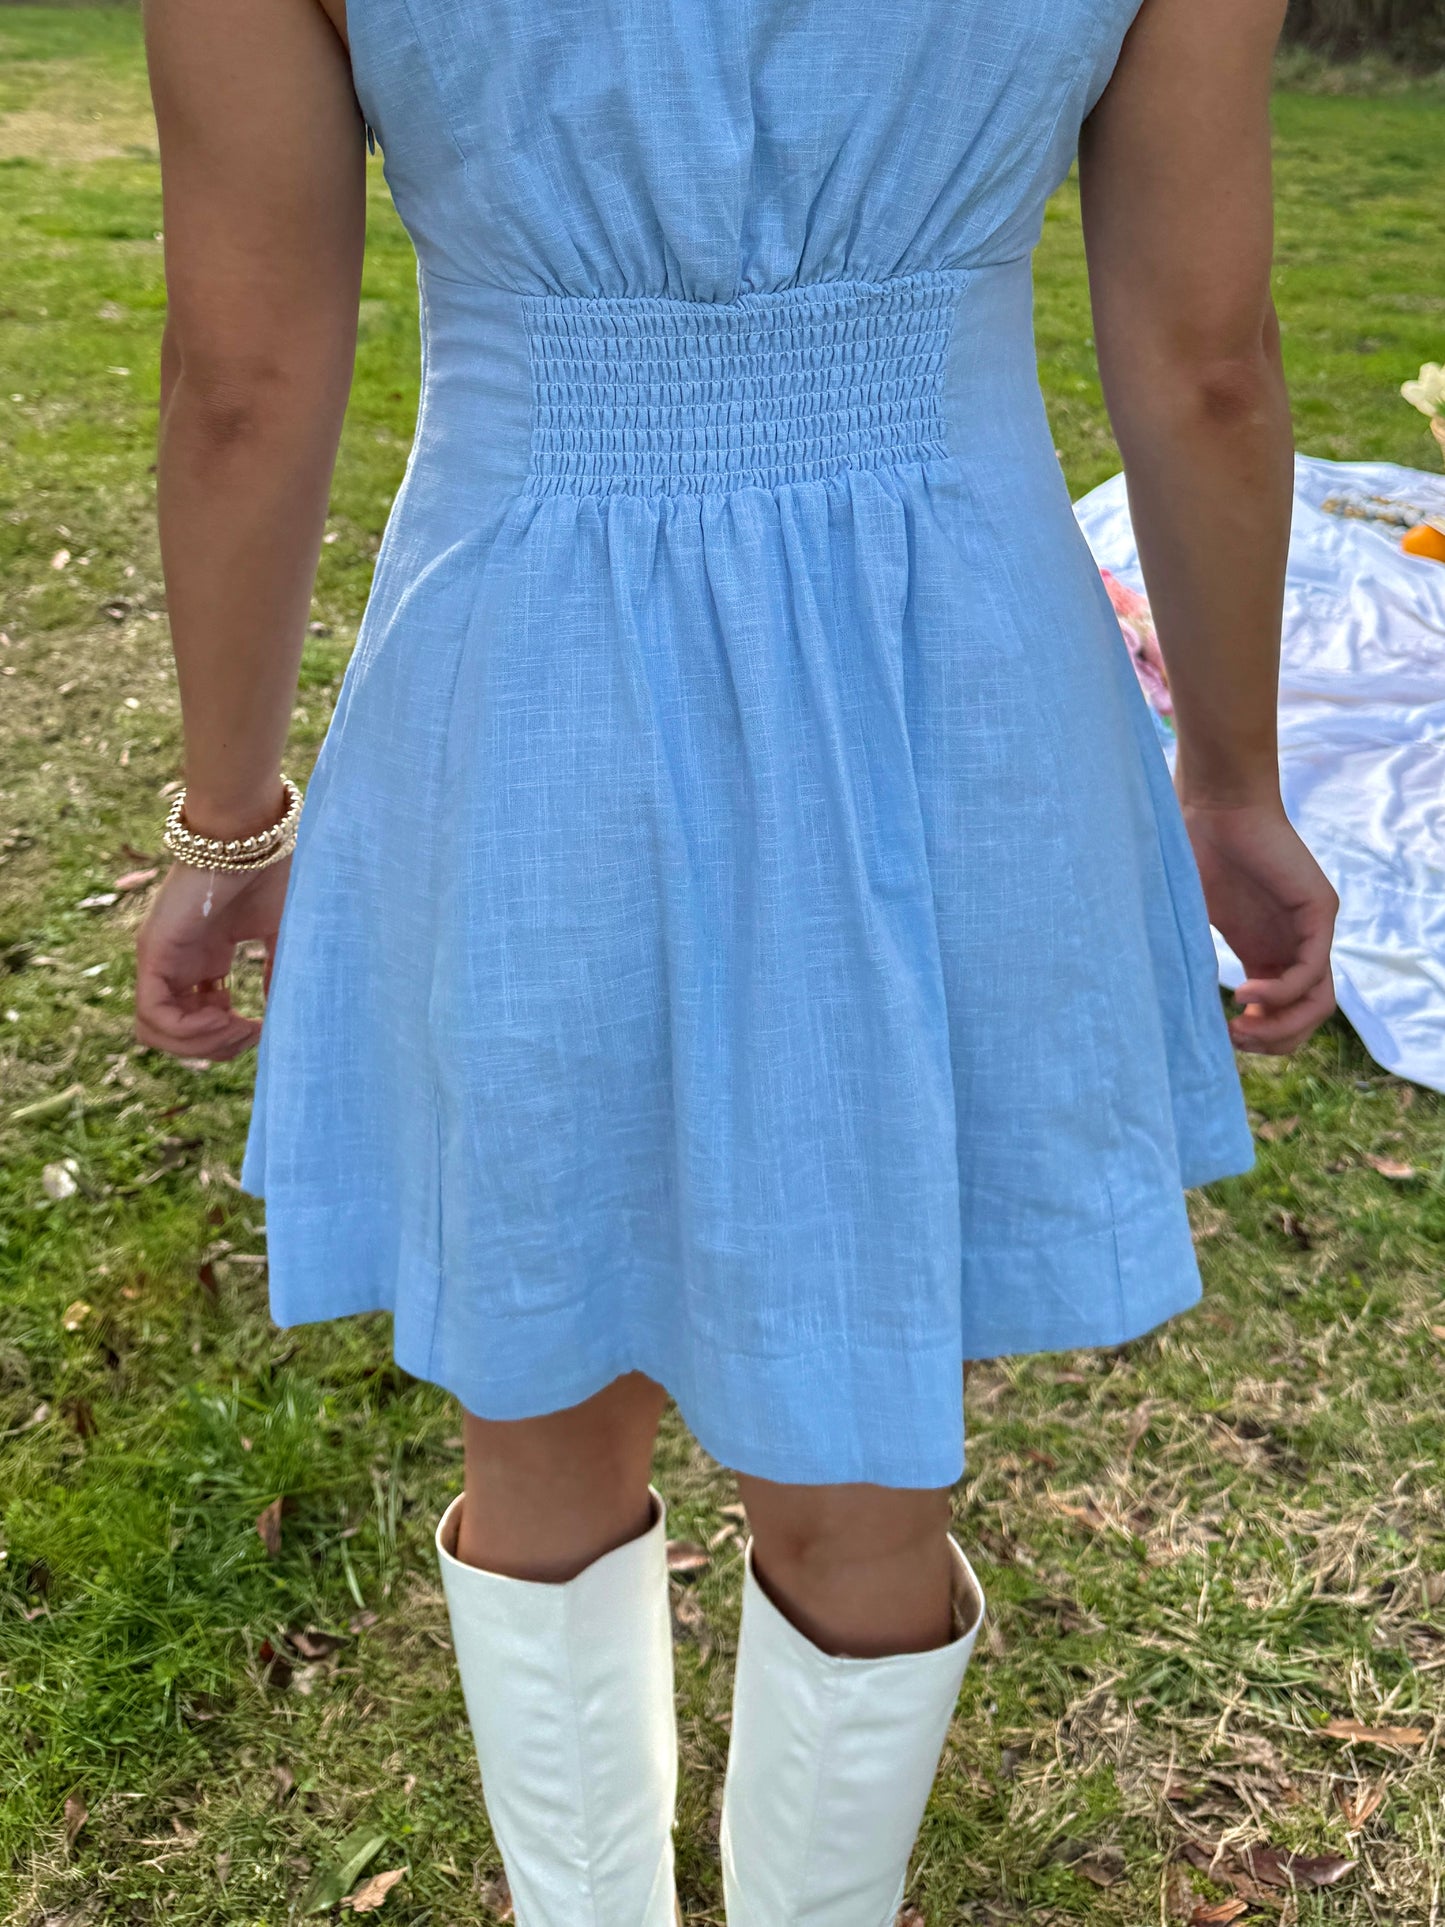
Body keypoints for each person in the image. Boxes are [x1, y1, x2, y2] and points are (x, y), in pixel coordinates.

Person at [133, 0, 1337, 1917]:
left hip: (527, 668)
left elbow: (243, 382)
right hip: (943, 665)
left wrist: (226, 823)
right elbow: (1204, 365)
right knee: (860, 1425)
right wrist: (1232, 778)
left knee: (537, 1392)